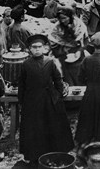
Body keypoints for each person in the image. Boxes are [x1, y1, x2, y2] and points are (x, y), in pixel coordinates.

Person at [18, 34, 74, 165]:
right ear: (29, 49)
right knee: (35, 127)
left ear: (44, 48)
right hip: (32, 99)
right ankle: (34, 154)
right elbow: (22, 84)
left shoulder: (50, 62)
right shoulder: (26, 64)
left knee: (53, 124)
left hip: (49, 99)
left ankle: (55, 151)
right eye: (34, 47)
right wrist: (22, 101)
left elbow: (57, 79)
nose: (37, 50)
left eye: (39, 47)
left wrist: (59, 94)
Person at [49, 6, 88, 86]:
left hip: (78, 57)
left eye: (64, 18)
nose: (63, 21)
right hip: (64, 58)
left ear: (70, 17)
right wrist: (63, 51)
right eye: (60, 19)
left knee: (80, 79)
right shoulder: (57, 28)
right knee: (68, 81)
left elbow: (86, 41)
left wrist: (79, 50)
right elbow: (53, 44)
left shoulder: (79, 26)